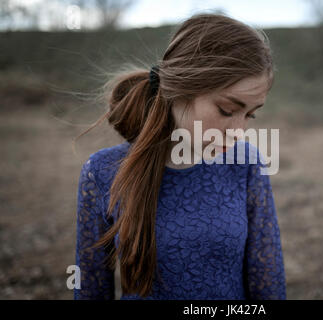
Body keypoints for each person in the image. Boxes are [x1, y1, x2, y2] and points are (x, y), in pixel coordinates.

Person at [74, 12, 286, 300]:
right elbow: (90, 289)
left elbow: (269, 284)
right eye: (226, 110)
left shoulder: (246, 164)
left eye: (250, 114)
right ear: (180, 89)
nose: (239, 131)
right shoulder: (102, 172)